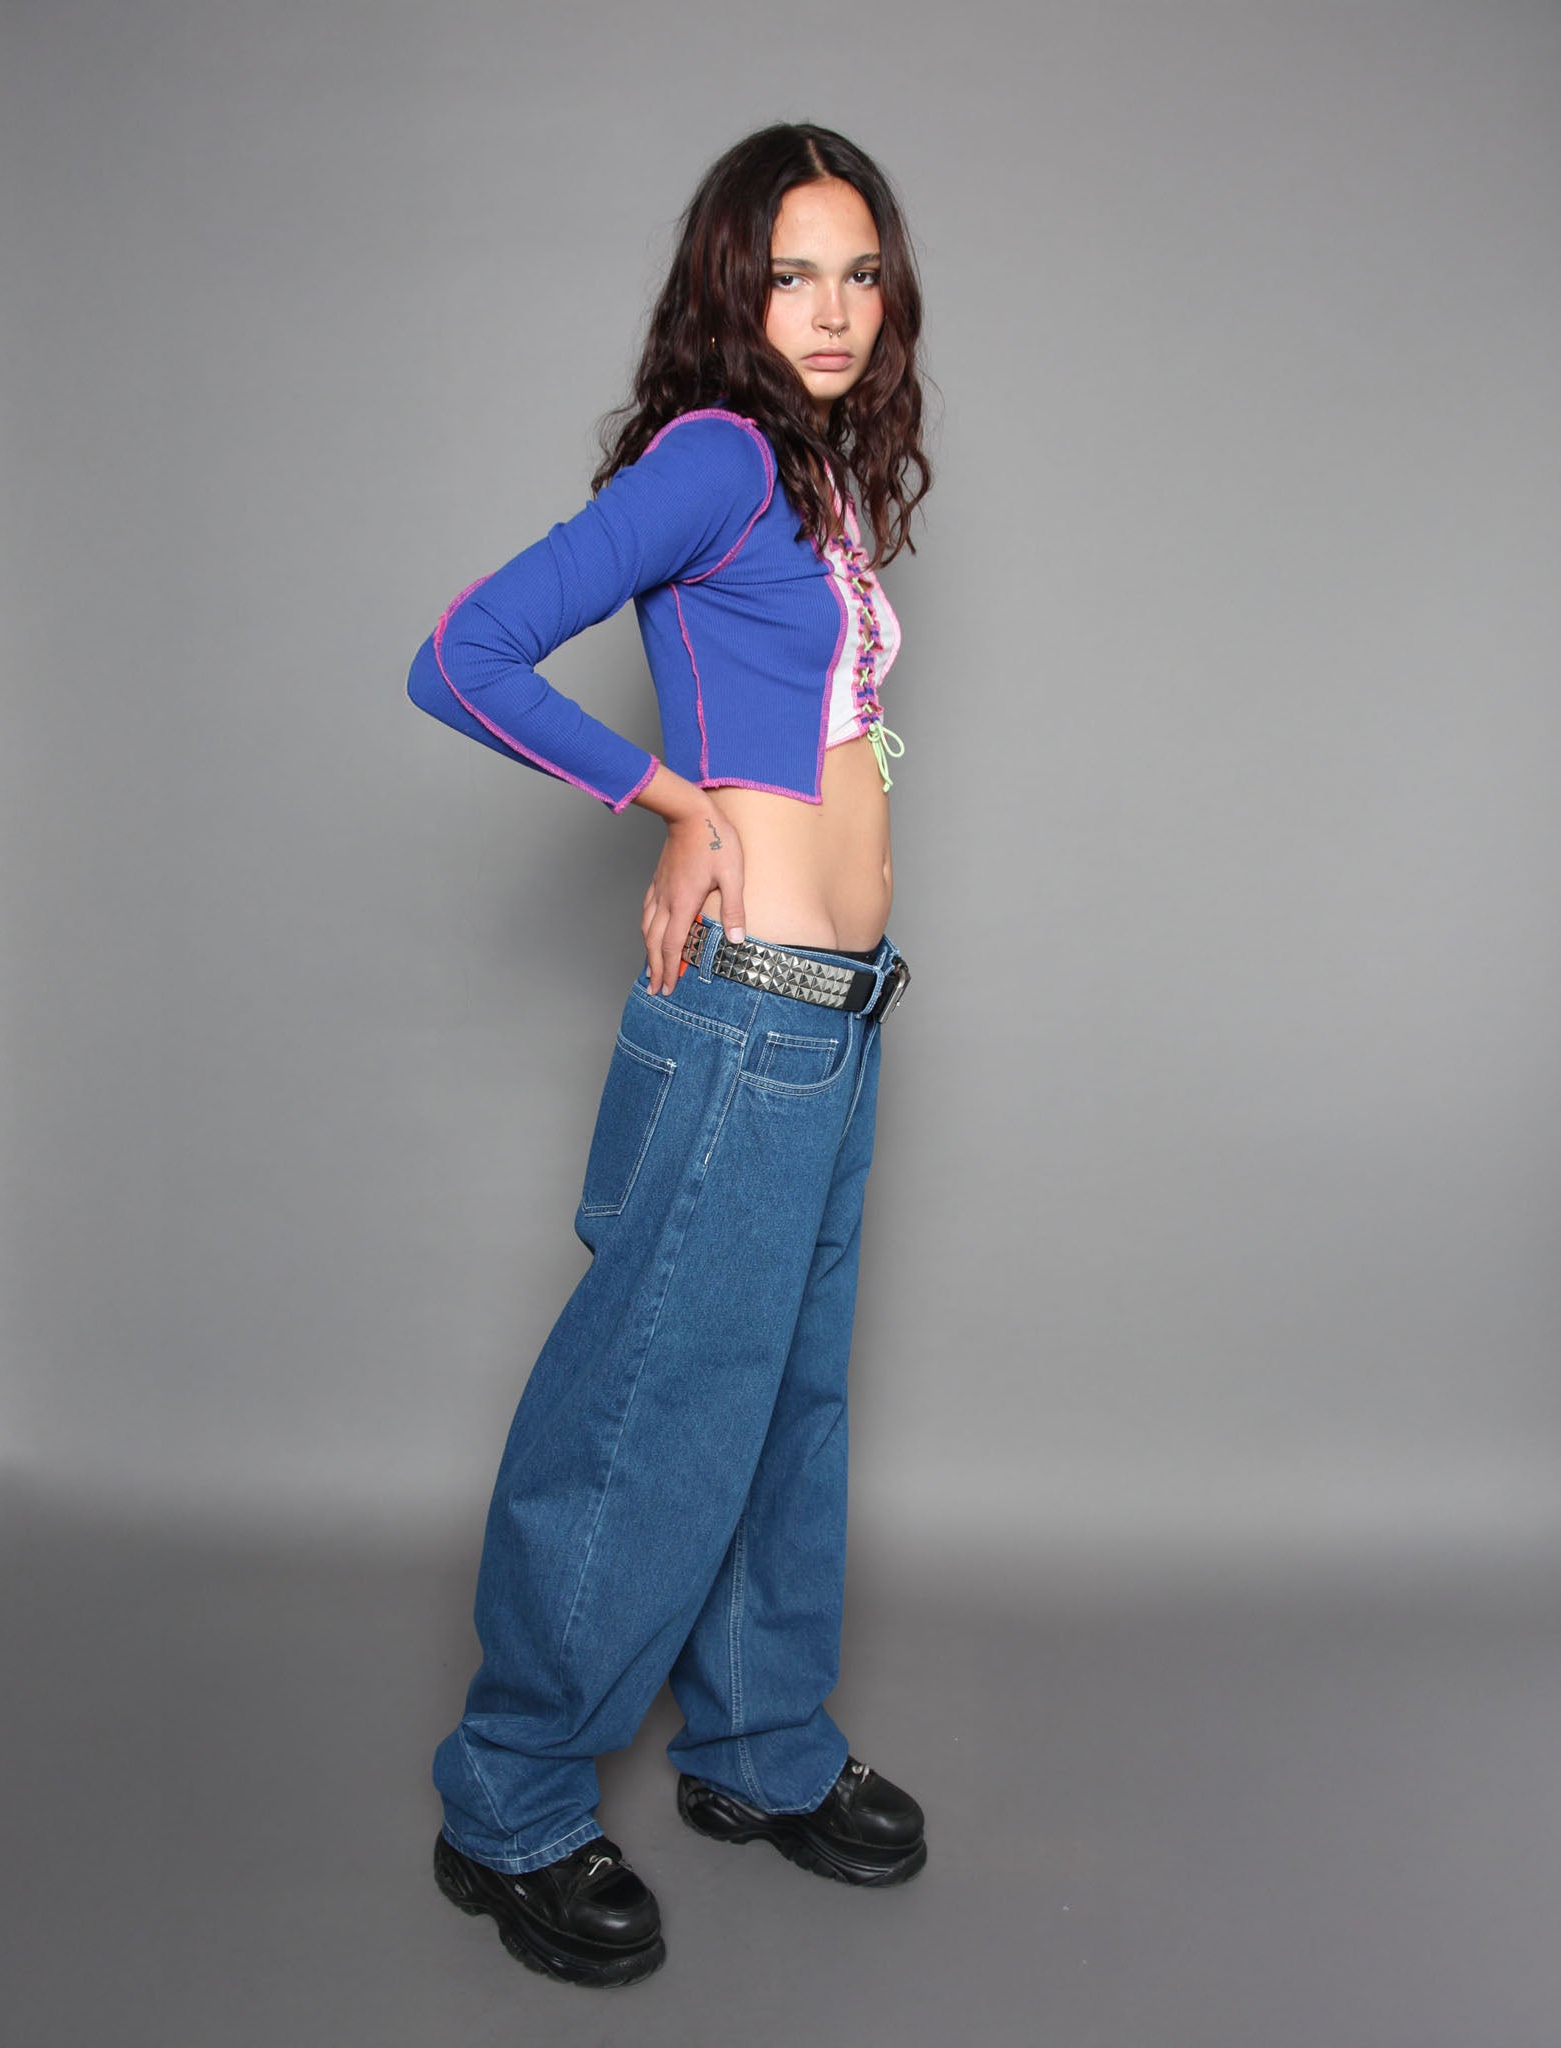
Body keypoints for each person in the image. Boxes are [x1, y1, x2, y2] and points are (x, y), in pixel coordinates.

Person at [404, 121, 934, 1990]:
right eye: (793, 274)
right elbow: (465, 652)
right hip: (750, 1020)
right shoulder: (713, 456)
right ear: (732, 284)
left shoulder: (820, 479)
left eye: (860, 274)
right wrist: (671, 805)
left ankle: (758, 1747)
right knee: (650, 1414)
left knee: (788, 1406)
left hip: (841, 1023)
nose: (834, 310)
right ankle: (511, 1798)